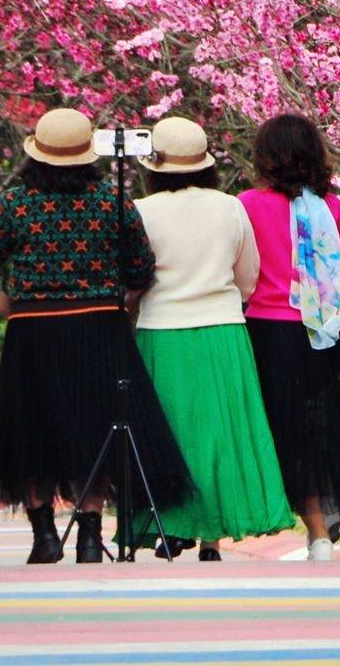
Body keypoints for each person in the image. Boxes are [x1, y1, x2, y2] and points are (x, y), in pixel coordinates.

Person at [0, 107, 193, 564]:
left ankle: (43, 536)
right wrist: (125, 302)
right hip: (98, 325)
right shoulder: (111, 201)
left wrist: (8, 305)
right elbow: (141, 267)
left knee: (33, 427)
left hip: (33, 329)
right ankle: (90, 536)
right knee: (96, 426)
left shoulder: (16, 204)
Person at [129, 116, 296, 559]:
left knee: (170, 432)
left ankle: (171, 524)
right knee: (220, 434)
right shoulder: (229, 207)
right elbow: (249, 273)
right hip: (222, 330)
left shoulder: (143, 210)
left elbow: (134, 276)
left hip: (162, 330)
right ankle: (212, 538)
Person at [238, 113, 340, 561]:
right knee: (316, 428)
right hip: (321, 335)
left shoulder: (245, 205)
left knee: (271, 426)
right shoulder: (331, 209)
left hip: (266, 331)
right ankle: (320, 531)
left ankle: (265, 518)